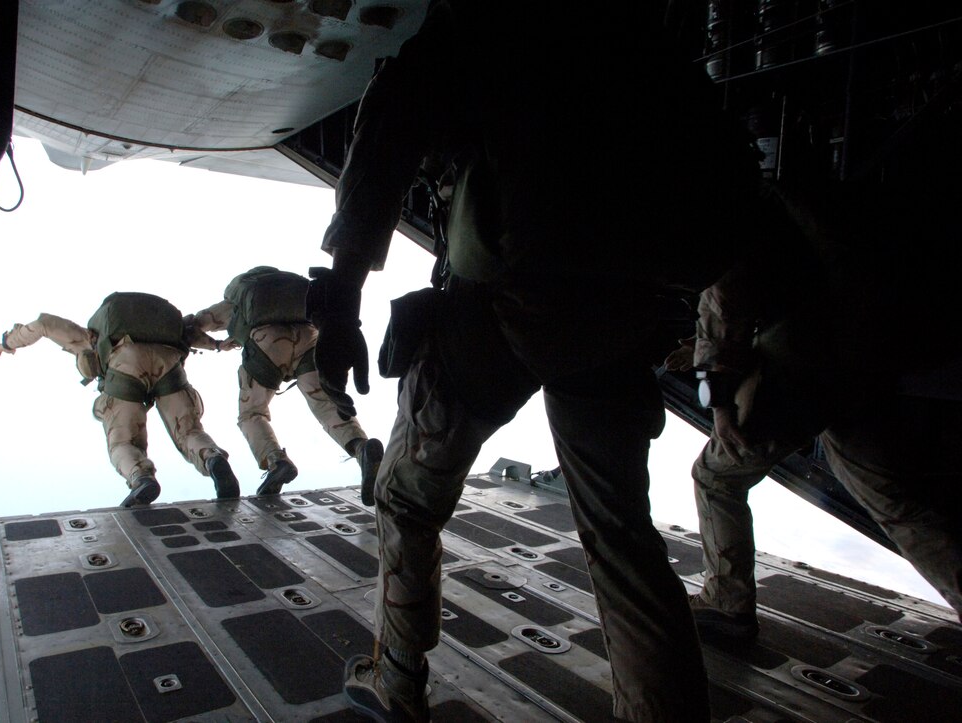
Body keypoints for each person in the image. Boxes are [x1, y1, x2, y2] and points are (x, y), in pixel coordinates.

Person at [308, 2, 773, 720]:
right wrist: (721, 349)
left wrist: (341, 300)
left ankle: (397, 681)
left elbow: (392, 122)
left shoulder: (490, 20)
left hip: (499, 307)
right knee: (622, 535)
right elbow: (733, 199)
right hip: (619, 317)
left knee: (407, 499)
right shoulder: (642, 41)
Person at [668, 183, 962, 637]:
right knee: (895, 505)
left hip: (805, 361)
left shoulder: (732, 210)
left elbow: (724, 302)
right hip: (868, 356)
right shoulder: (814, 200)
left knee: (716, 477)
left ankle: (727, 602)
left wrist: (719, 399)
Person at [0, 291, 241, 507]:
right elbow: (189, 332)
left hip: (125, 368)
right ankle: (213, 458)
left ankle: (141, 478)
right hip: (169, 363)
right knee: (189, 431)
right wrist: (217, 345)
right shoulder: (161, 329)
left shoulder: (93, 335)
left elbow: (44, 324)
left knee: (122, 442)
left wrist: (8, 343)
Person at [186, 266, 383, 499]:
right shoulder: (295, 291)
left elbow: (192, 327)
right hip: (309, 338)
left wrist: (217, 345)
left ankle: (276, 461)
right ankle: (361, 448)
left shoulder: (239, 298)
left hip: (267, 341)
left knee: (251, 413)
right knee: (326, 404)